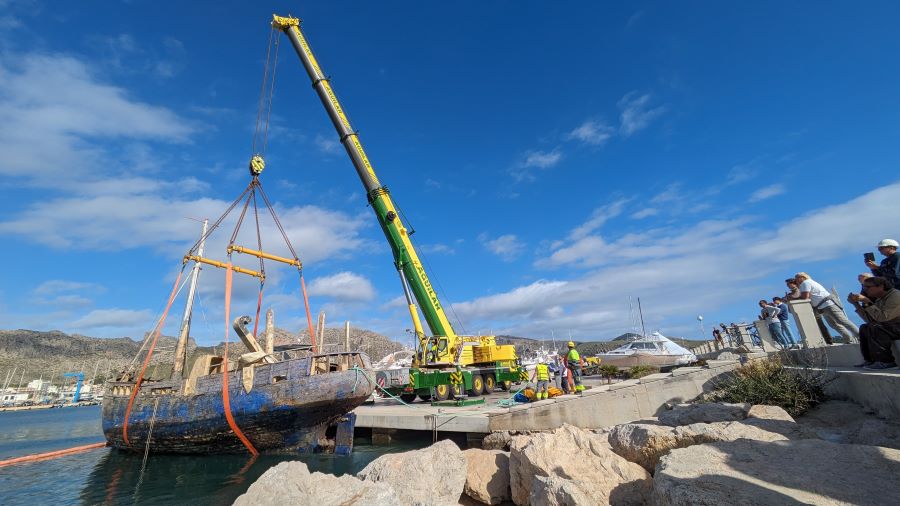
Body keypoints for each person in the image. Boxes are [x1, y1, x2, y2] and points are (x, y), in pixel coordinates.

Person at [847, 276, 900, 370]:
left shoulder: (896, 296)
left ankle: (886, 362)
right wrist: (856, 304)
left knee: (876, 327)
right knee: (864, 327)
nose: (865, 290)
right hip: (893, 326)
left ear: (881, 286)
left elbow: (883, 318)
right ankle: (870, 360)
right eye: (864, 287)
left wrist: (867, 301)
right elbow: (870, 320)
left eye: (868, 287)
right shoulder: (881, 298)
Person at [795, 272, 859, 344]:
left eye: (797, 278)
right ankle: (848, 339)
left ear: (802, 277)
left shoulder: (805, 283)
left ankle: (860, 335)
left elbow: (805, 297)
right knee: (834, 324)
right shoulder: (808, 282)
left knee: (842, 321)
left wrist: (794, 298)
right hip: (824, 306)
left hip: (827, 305)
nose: (796, 280)